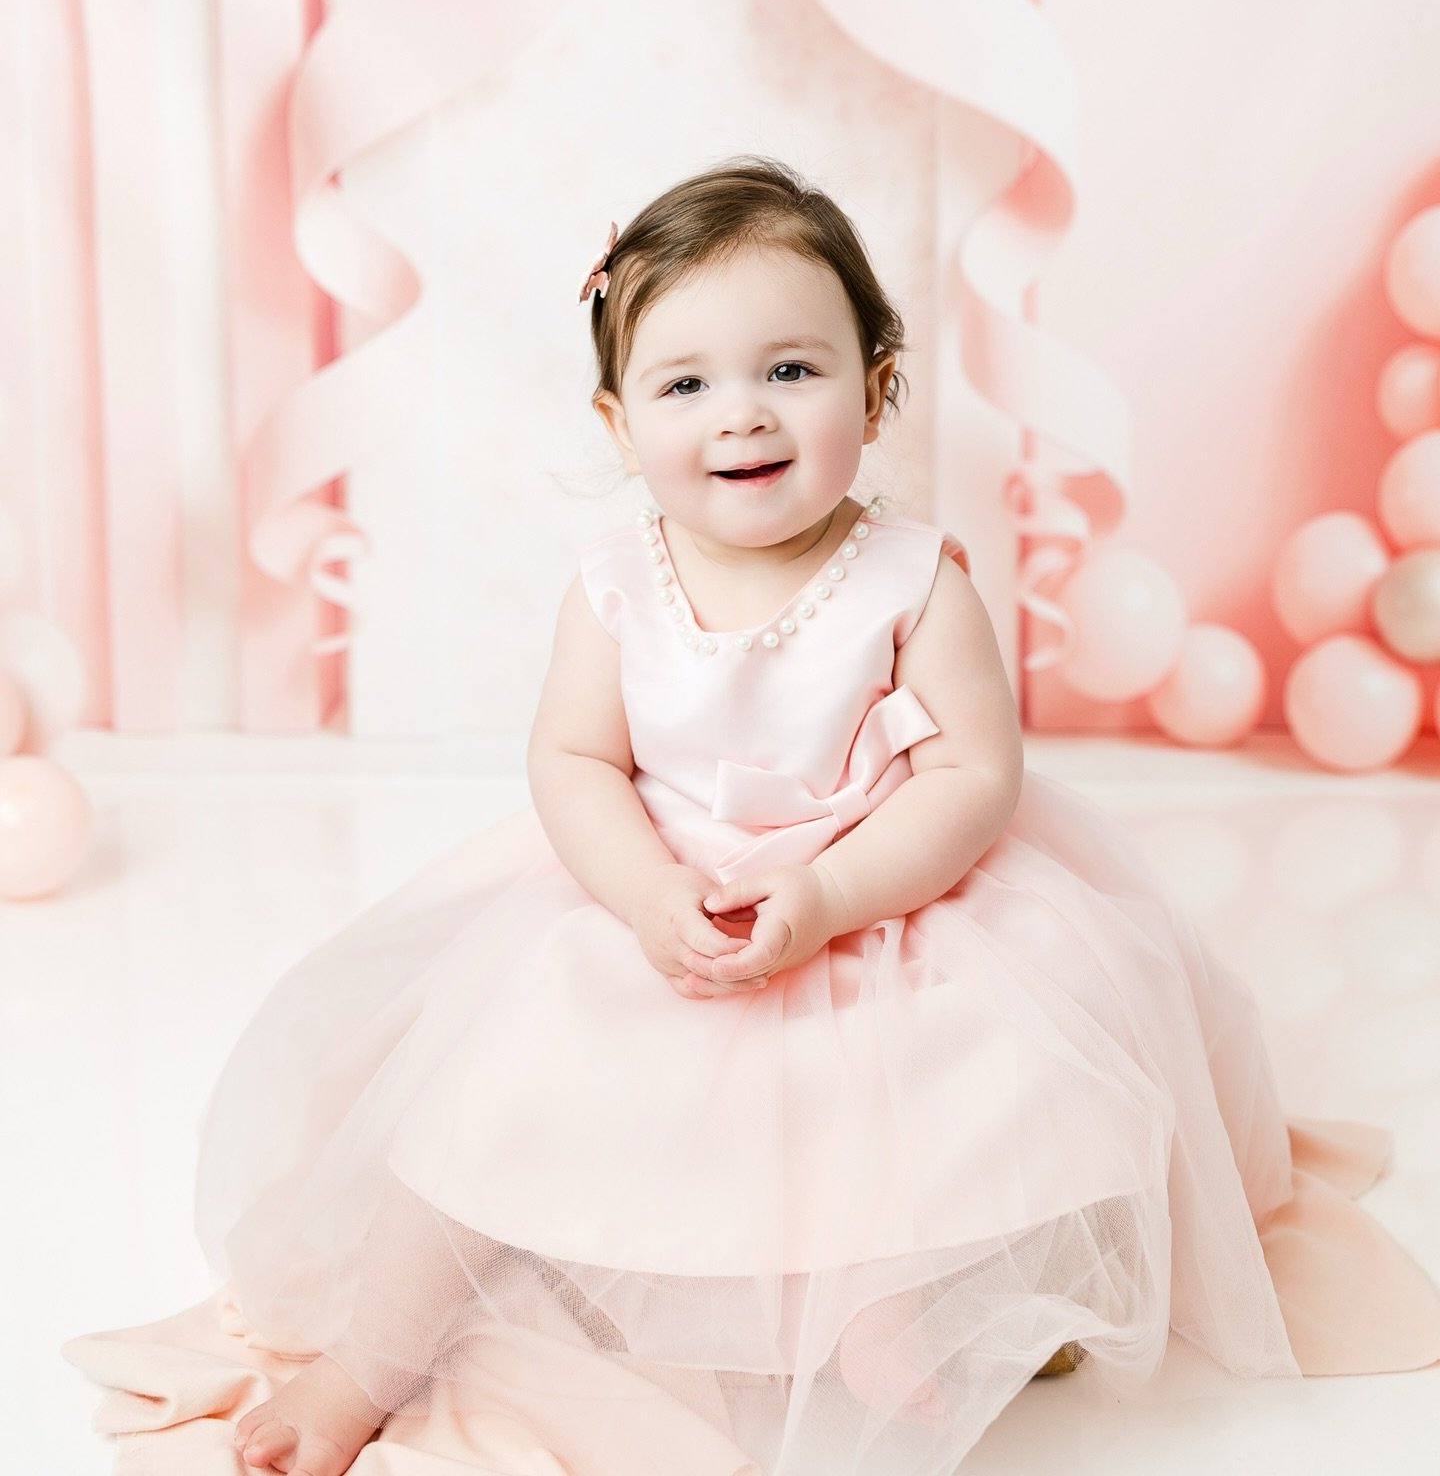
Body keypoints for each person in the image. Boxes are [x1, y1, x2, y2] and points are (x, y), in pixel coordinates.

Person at [64, 157, 1440, 1476]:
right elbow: (574, 761)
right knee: (497, 1084)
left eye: (791, 370)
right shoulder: (616, 587)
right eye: (686, 383)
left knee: (995, 1072)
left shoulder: (915, 579)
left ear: (877, 389)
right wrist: (646, 893)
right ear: (619, 424)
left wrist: (835, 895)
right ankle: (368, 1361)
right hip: (666, 895)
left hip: (891, 892)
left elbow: (973, 776)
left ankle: (909, 1298)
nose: (743, 415)